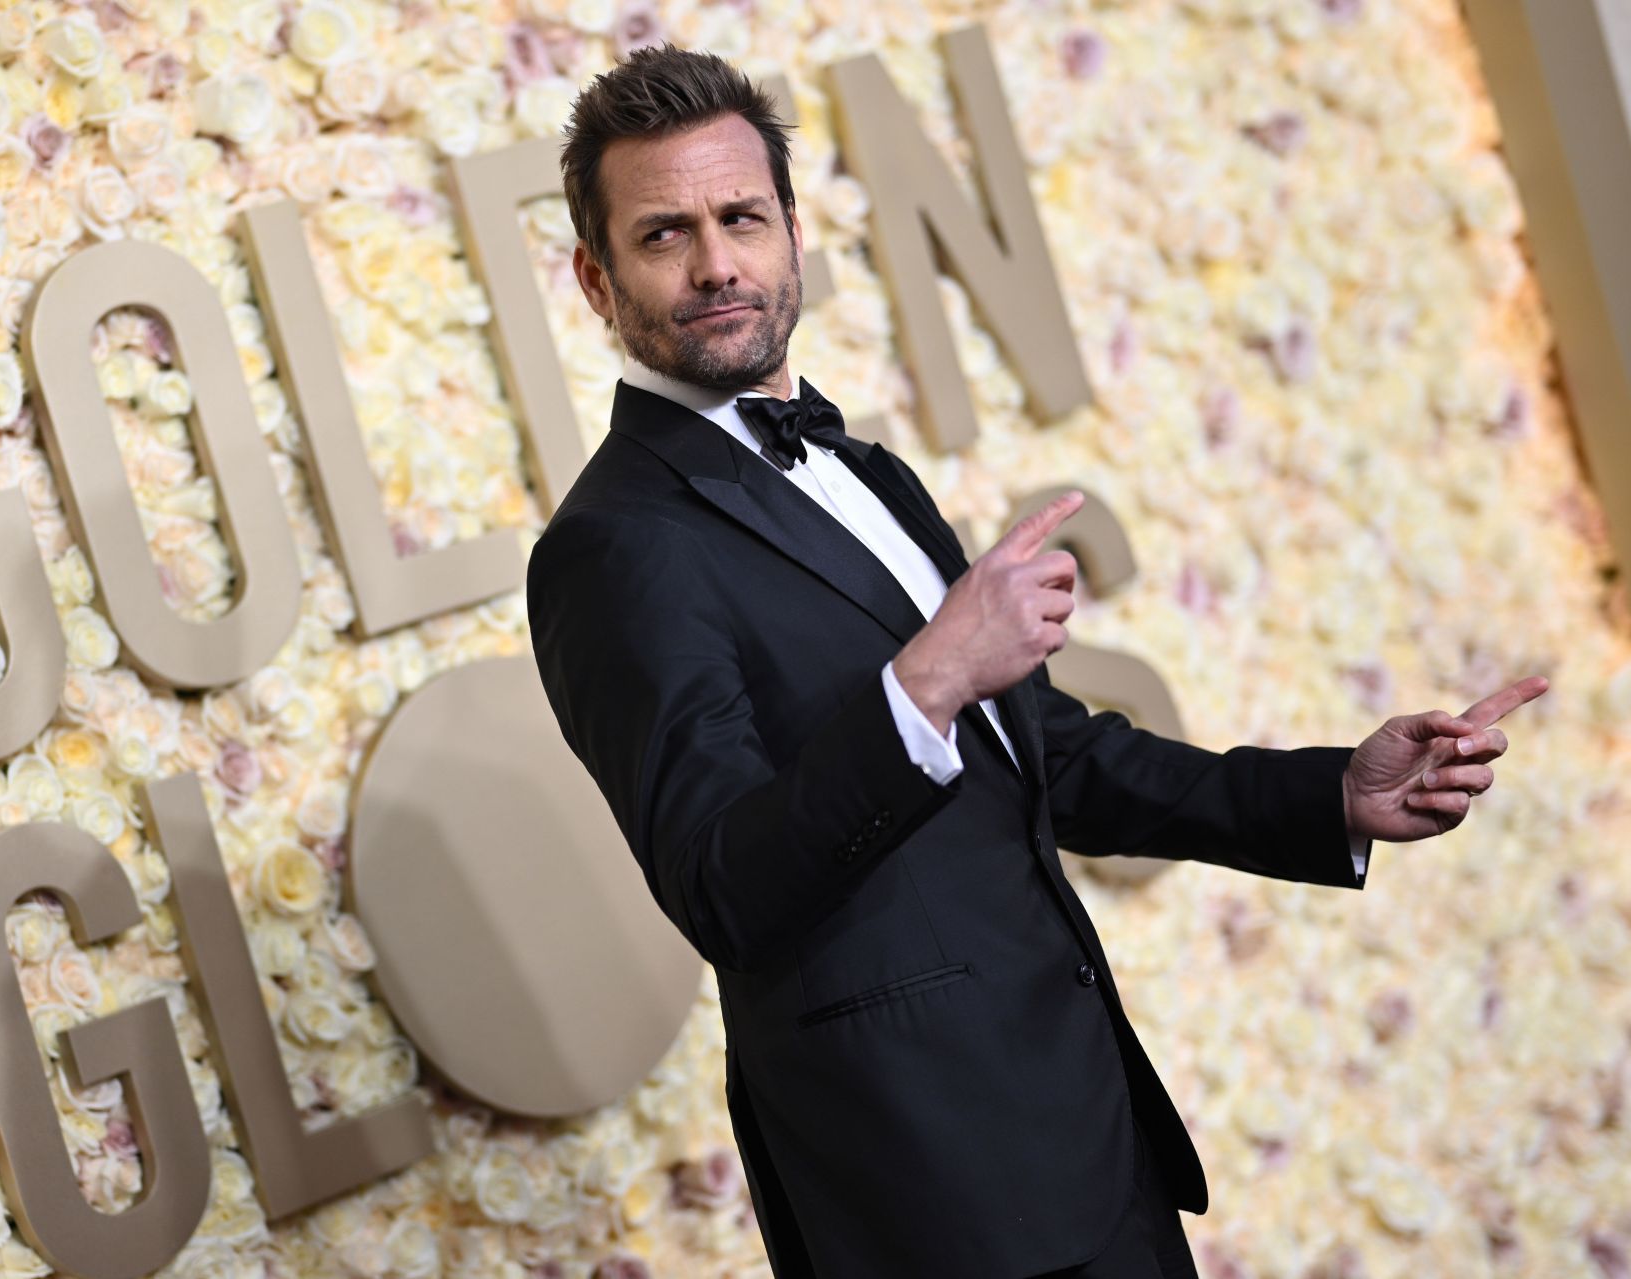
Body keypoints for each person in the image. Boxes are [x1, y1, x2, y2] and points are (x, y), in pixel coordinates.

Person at [524, 44, 1547, 1279]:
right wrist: (927, 682)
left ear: (792, 232)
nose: (717, 264)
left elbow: (1050, 754)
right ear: (596, 278)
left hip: (1091, 1141)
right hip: (927, 1203)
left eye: (742, 217)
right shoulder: (611, 546)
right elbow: (721, 886)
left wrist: (1328, 794)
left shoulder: (867, 474)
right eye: (663, 235)